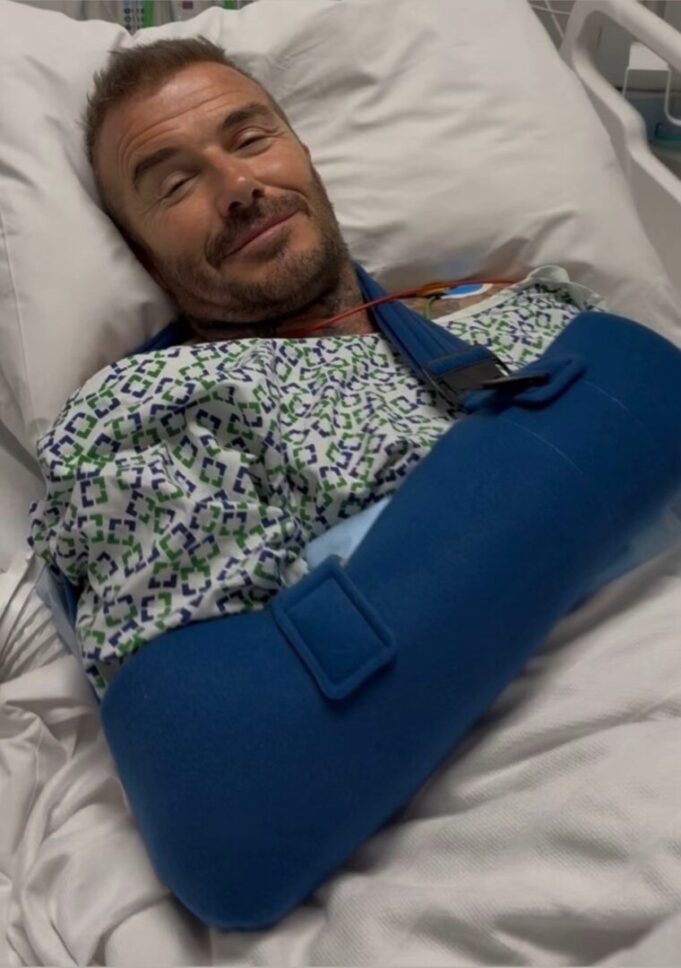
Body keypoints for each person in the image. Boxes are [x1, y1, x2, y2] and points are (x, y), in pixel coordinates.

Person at [29, 37, 604, 697]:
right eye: (177, 184)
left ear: (305, 156)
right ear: (144, 257)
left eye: (250, 140)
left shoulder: (526, 308)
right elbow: (222, 729)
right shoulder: (150, 414)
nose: (238, 187)